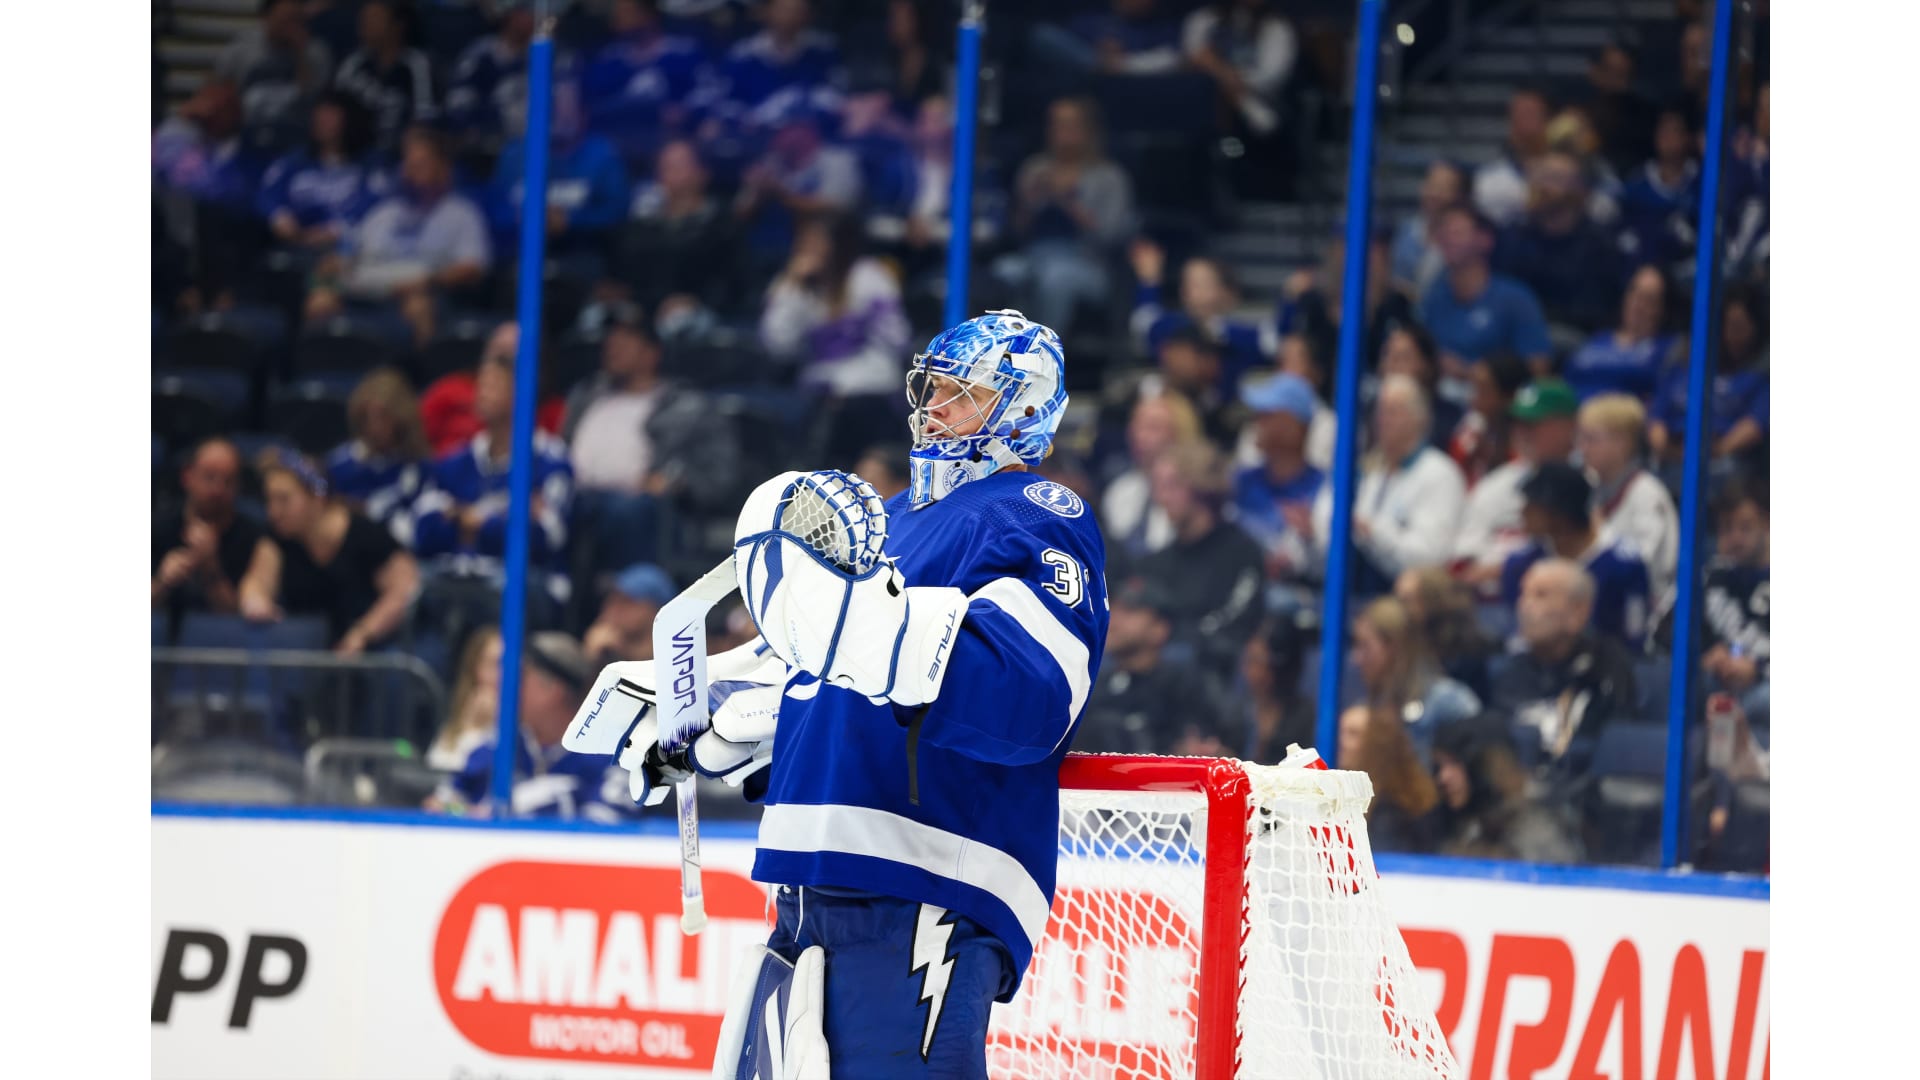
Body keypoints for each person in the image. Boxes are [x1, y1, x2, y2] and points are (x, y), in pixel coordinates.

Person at [588, 309, 1107, 1076]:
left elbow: (1032, 697)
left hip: (925, 890)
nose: (934, 406)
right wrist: (704, 709)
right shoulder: (888, 520)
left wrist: (885, 632)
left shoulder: (1032, 515)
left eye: (962, 394)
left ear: (1025, 407)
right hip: (808, 893)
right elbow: (801, 667)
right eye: (932, 387)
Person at [562, 303, 742, 570]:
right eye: (611, 337)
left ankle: (623, 597)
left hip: (640, 510)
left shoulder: (687, 405)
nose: (613, 345)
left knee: (626, 512)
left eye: (626, 338)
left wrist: (676, 480)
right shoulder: (586, 395)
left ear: (652, 352)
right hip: (574, 499)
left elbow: (720, 476)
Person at [411, 340, 577, 619]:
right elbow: (424, 530)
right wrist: (503, 520)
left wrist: (466, 520)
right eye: (481, 385)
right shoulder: (455, 461)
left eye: (494, 385)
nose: (482, 394)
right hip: (457, 581)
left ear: (521, 393)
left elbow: (543, 538)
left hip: (528, 588)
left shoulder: (550, 461)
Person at [304, 126, 491, 348]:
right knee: (320, 299)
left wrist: (428, 280)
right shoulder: (384, 212)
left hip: (423, 295)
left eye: (420, 164)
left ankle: (421, 377)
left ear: (444, 168)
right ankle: (322, 378)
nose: (411, 171)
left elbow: (473, 266)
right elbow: (352, 252)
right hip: (370, 293)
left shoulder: (461, 214)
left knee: (418, 307)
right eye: (408, 164)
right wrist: (336, 264)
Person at [435, 632, 633, 821]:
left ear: (553, 690)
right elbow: (439, 805)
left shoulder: (611, 755)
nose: (503, 685)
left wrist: (514, 814)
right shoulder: (495, 747)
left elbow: (605, 830)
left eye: (520, 677)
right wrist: (465, 812)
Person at [241, 452, 421, 654]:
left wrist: (362, 634)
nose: (273, 512)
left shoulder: (367, 534)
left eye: (283, 500)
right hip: (315, 652)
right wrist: (255, 601)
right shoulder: (278, 537)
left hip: (380, 648)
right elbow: (257, 580)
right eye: (269, 500)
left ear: (318, 497)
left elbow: (404, 589)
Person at [1309, 374, 1468, 598]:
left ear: (1420, 418)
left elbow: (1429, 558)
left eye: (1394, 411)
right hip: (1351, 587)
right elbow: (1326, 524)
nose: (1383, 420)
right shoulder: (1366, 470)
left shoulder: (1440, 473)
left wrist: (1372, 531)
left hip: (1408, 599)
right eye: (1381, 410)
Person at [994, 96, 1137, 337]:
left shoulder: (1109, 176)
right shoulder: (1034, 168)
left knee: (1055, 277)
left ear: (1088, 130)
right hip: (1034, 255)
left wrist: (1068, 202)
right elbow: (1015, 232)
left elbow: (1111, 237)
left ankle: (1043, 355)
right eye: (1056, 125)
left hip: (1090, 262)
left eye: (1070, 125)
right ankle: (1004, 352)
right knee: (1005, 271)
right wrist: (1030, 203)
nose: (1062, 133)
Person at [1489, 558, 1638, 778]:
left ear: (1579, 611)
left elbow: (1612, 747)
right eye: (1523, 594)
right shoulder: (1508, 670)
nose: (1524, 605)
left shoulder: (1607, 667)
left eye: (1541, 595)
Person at [1140, 439, 1267, 678]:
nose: (1161, 498)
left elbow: (1237, 624)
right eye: (1157, 486)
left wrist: (1177, 640)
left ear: (1201, 486)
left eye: (1172, 485)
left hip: (1217, 677)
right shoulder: (1155, 563)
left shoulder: (1242, 552)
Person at [1501, 462, 1652, 652]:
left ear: (1561, 513)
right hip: (1534, 669)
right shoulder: (1521, 562)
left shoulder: (1623, 564)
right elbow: (1515, 636)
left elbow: (1633, 634)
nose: (1523, 512)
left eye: (1533, 506)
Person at [759, 212, 911, 399]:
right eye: (804, 241)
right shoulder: (795, 286)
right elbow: (779, 347)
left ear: (838, 244)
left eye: (816, 241)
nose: (808, 249)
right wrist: (791, 288)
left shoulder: (870, 277)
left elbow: (898, 340)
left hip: (870, 384)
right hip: (817, 387)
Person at [1452, 378, 1579, 590]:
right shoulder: (1496, 483)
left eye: (1532, 424)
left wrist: (1508, 568)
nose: (1522, 432)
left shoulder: (1588, 482)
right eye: (1518, 424)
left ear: (1567, 426)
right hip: (1492, 601)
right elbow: (1464, 558)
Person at [1077, 576, 1226, 755]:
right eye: (1113, 607)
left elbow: (1207, 749)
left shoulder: (1185, 685)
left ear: (1159, 629)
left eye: (1129, 610)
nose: (1114, 619)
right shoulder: (1091, 683)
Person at [1419, 204, 1554, 393]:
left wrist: (1469, 373)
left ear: (1485, 240)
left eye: (1457, 232)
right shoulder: (1433, 297)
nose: (1448, 239)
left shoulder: (1515, 299)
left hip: (1495, 402)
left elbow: (1539, 366)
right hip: (1437, 400)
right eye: (1444, 233)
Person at [1491, 149, 1627, 334]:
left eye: (1554, 178)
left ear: (1579, 190)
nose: (1543, 187)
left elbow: (1597, 311)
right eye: (1539, 177)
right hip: (1518, 336)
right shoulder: (1513, 237)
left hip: (1575, 336)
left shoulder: (1600, 245)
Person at [153, 437, 277, 618]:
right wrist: (162, 582)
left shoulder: (253, 536)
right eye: (209, 477)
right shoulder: (156, 528)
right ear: (187, 476)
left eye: (228, 480)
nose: (218, 489)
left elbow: (236, 618)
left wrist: (210, 568)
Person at [1649, 283, 1770, 467]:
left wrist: (1717, 452)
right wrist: (1665, 448)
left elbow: (1756, 423)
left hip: (1725, 465)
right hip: (1671, 457)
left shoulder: (1759, 377)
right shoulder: (1685, 365)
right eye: (1725, 325)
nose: (1730, 335)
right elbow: (1657, 415)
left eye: (1739, 326)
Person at [1349, 596, 1482, 763]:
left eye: (1365, 646)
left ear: (1394, 647)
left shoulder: (1450, 702)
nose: (1356, 658)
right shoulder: (1364, 712)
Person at [255, 92, 387, 259]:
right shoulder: (294, 162)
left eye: (331, 115)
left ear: (349, 120)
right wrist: (279, 217)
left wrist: (337, 230)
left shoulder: (369, 165)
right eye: (320, 115)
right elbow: (266, 194)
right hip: (294, 246)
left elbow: (377, 204)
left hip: (345, 251)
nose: (323, 121)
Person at [615, 138, 738, 316]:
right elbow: (628, 278)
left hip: (703, 314)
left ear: (702, 173)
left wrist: (695, 302)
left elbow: (733, 283)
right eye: (666, 166)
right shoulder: (641, 227)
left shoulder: (723, 225)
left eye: (680, 165)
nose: (672, 173)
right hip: (645, 313)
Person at [1430, 722, 1584, 863]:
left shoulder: (1538, 833)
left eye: (1454, 763)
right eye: (1439, 766)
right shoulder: (1455, 826)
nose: (1443, 778)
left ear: (1487, 769)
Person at [1579, 394, 1679, 603]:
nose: (1583, 448)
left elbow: (1644, 564)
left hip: (1643, 608)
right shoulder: (1589, 487)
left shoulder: (1647, 493)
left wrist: (1599, 535)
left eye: (1592, 439)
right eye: (1581, 438)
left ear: (1622, 442)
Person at [1127, 241, 1269, 386]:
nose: (1193, 289)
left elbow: (1275, 340)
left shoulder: (1240, 335)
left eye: (1202, 282)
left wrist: (1290, 297)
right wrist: (1150, 280)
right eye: (1188, 282)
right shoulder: (1171, 327)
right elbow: (1145, 322)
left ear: (1226, 292)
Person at [579, 0, 708, 157]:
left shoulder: (684, 52)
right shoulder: (608, 60)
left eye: (626, 12)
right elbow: (592, 105)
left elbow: (708, 90)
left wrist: (685, 110)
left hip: (676, 139)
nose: (617, 18)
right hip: (619, 143)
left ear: (648, 14)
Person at [418, 321, 567, 456]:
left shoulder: (551, 422)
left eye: (510, 355)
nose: (499, 362)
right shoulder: (449, 390)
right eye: (496, 351)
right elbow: (418, 435)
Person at [1230, 373, 1324, 582]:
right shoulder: (1238, 482)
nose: (1256, 422)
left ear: (1295, 428)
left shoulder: (1326, 490)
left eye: (1267, 415)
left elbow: (1325, 566)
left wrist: (1310, 536)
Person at [327, 368, 431, 538]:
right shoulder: (340, 464)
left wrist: (364, 510)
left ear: (401, 417)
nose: (375, 427)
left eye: (383, 417)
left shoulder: (419, 469)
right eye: (367, 418)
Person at [216, 0, 334, 149]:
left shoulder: (316, 53)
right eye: (284, 20)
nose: (289, 27)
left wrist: (301, 55)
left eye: (296, 20)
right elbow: (222, 93)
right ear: (266, 18)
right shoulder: (240, 51)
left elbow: (312, 99)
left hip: (298, 138)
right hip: (245, 134)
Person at [1100, 390, 1202, 562]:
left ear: (1180, 434)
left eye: (1153, 428)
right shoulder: (1119, 492)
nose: (1139, 436)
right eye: (1136, 426)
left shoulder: (1197, 495)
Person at [1700, 476, 1769, 726]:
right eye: (1727, 528)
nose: (1735, 538)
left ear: (1768, 525)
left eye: (1745, 527)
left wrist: (1758, 669)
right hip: (1718, 683)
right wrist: (1708, 655)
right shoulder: (1712, 576)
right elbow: (1663, 633)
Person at [331, 0, 438, 153]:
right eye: (364, 19)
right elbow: (332, 109)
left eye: (374, 19)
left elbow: (425, 117)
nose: (365, 25)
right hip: (355, 155)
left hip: (399, 155)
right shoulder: (353, 64)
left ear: (398, 25)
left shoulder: (416, 65)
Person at [1562, 265, 1678, 404]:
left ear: (1662, 308)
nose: (1637, 304)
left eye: (1648, 298)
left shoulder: (1666, 348)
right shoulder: (1599, 339)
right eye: (1633, 291)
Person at [1338, 704, 1441, 854]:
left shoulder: (1393, 811)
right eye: (1340, 732)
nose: (1341, 741)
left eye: (1353, 734)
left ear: (1377, 744)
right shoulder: (1346, 797)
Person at [1394, 566, 1497, 702]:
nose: (1399, 610)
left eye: (1407, 601)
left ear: (1431, 600)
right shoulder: (1401, 644)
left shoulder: (1470, 647)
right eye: (1397, 601)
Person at [1618, 108, 1699, 276]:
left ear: (1687, 138)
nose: (1667, 137)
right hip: (1644, 271)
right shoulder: (1637, 183)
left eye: (1674, 131)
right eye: (1662, 131)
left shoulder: (1702, 181)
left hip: (1689, 272)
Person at [444, 0, 536, 143]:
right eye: (523, 12)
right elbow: (458, 100)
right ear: (509, 16)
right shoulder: (481, 53)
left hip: (520, 143)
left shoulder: (548, 58)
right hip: (478, 140)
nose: (531, 18)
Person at [1444, 350, 1531, 488]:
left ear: (1509, 396)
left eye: (1483, 389)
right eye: (1473, 386)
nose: (1473, 397)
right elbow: (1451, 474)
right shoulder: (1470, 427)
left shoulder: (1525, 442)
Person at [1472, 87, 1552, 228]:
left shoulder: (1571, 173)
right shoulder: (1490, 178)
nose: (1523, 124)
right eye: (1517, 115)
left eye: (1530, 114)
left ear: (1548, 120)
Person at [1391, 160, 1468, 298]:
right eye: (1431, 185)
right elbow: (1395, 282)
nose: (1434, 194)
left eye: (1444, 188)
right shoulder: (1406, 231)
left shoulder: (1464, 240)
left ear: (1460, 195)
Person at [429, 624, 501, 771]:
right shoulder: (457, 724)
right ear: (475, 670)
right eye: (495, 664)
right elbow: (439, 772)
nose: (503, 674)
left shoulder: (526, 729)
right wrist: (472, 727)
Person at [582, 562, 676, 665]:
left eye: (624, 601)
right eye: (611, 600)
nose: (611, 609)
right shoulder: (607, 649)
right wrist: (591, 658)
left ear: (653, 609)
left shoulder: (677, 659)